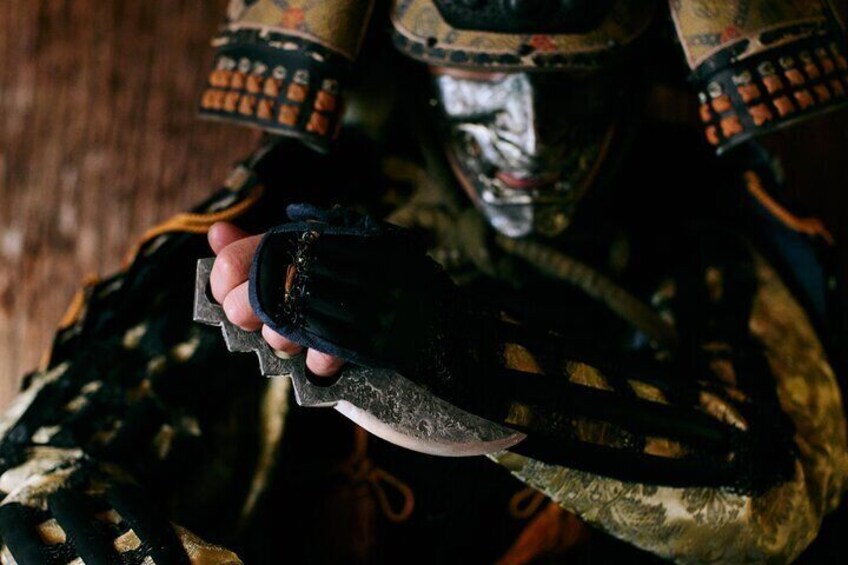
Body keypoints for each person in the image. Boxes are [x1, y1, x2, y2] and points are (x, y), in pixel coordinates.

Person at [1, 0, 847, 563]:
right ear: (404, 70)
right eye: (479, 79)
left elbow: (779, 497)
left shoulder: (696, 246)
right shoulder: (293, 245)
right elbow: (40, 466)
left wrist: (463, 352)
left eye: (571, 82)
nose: (528, 135)